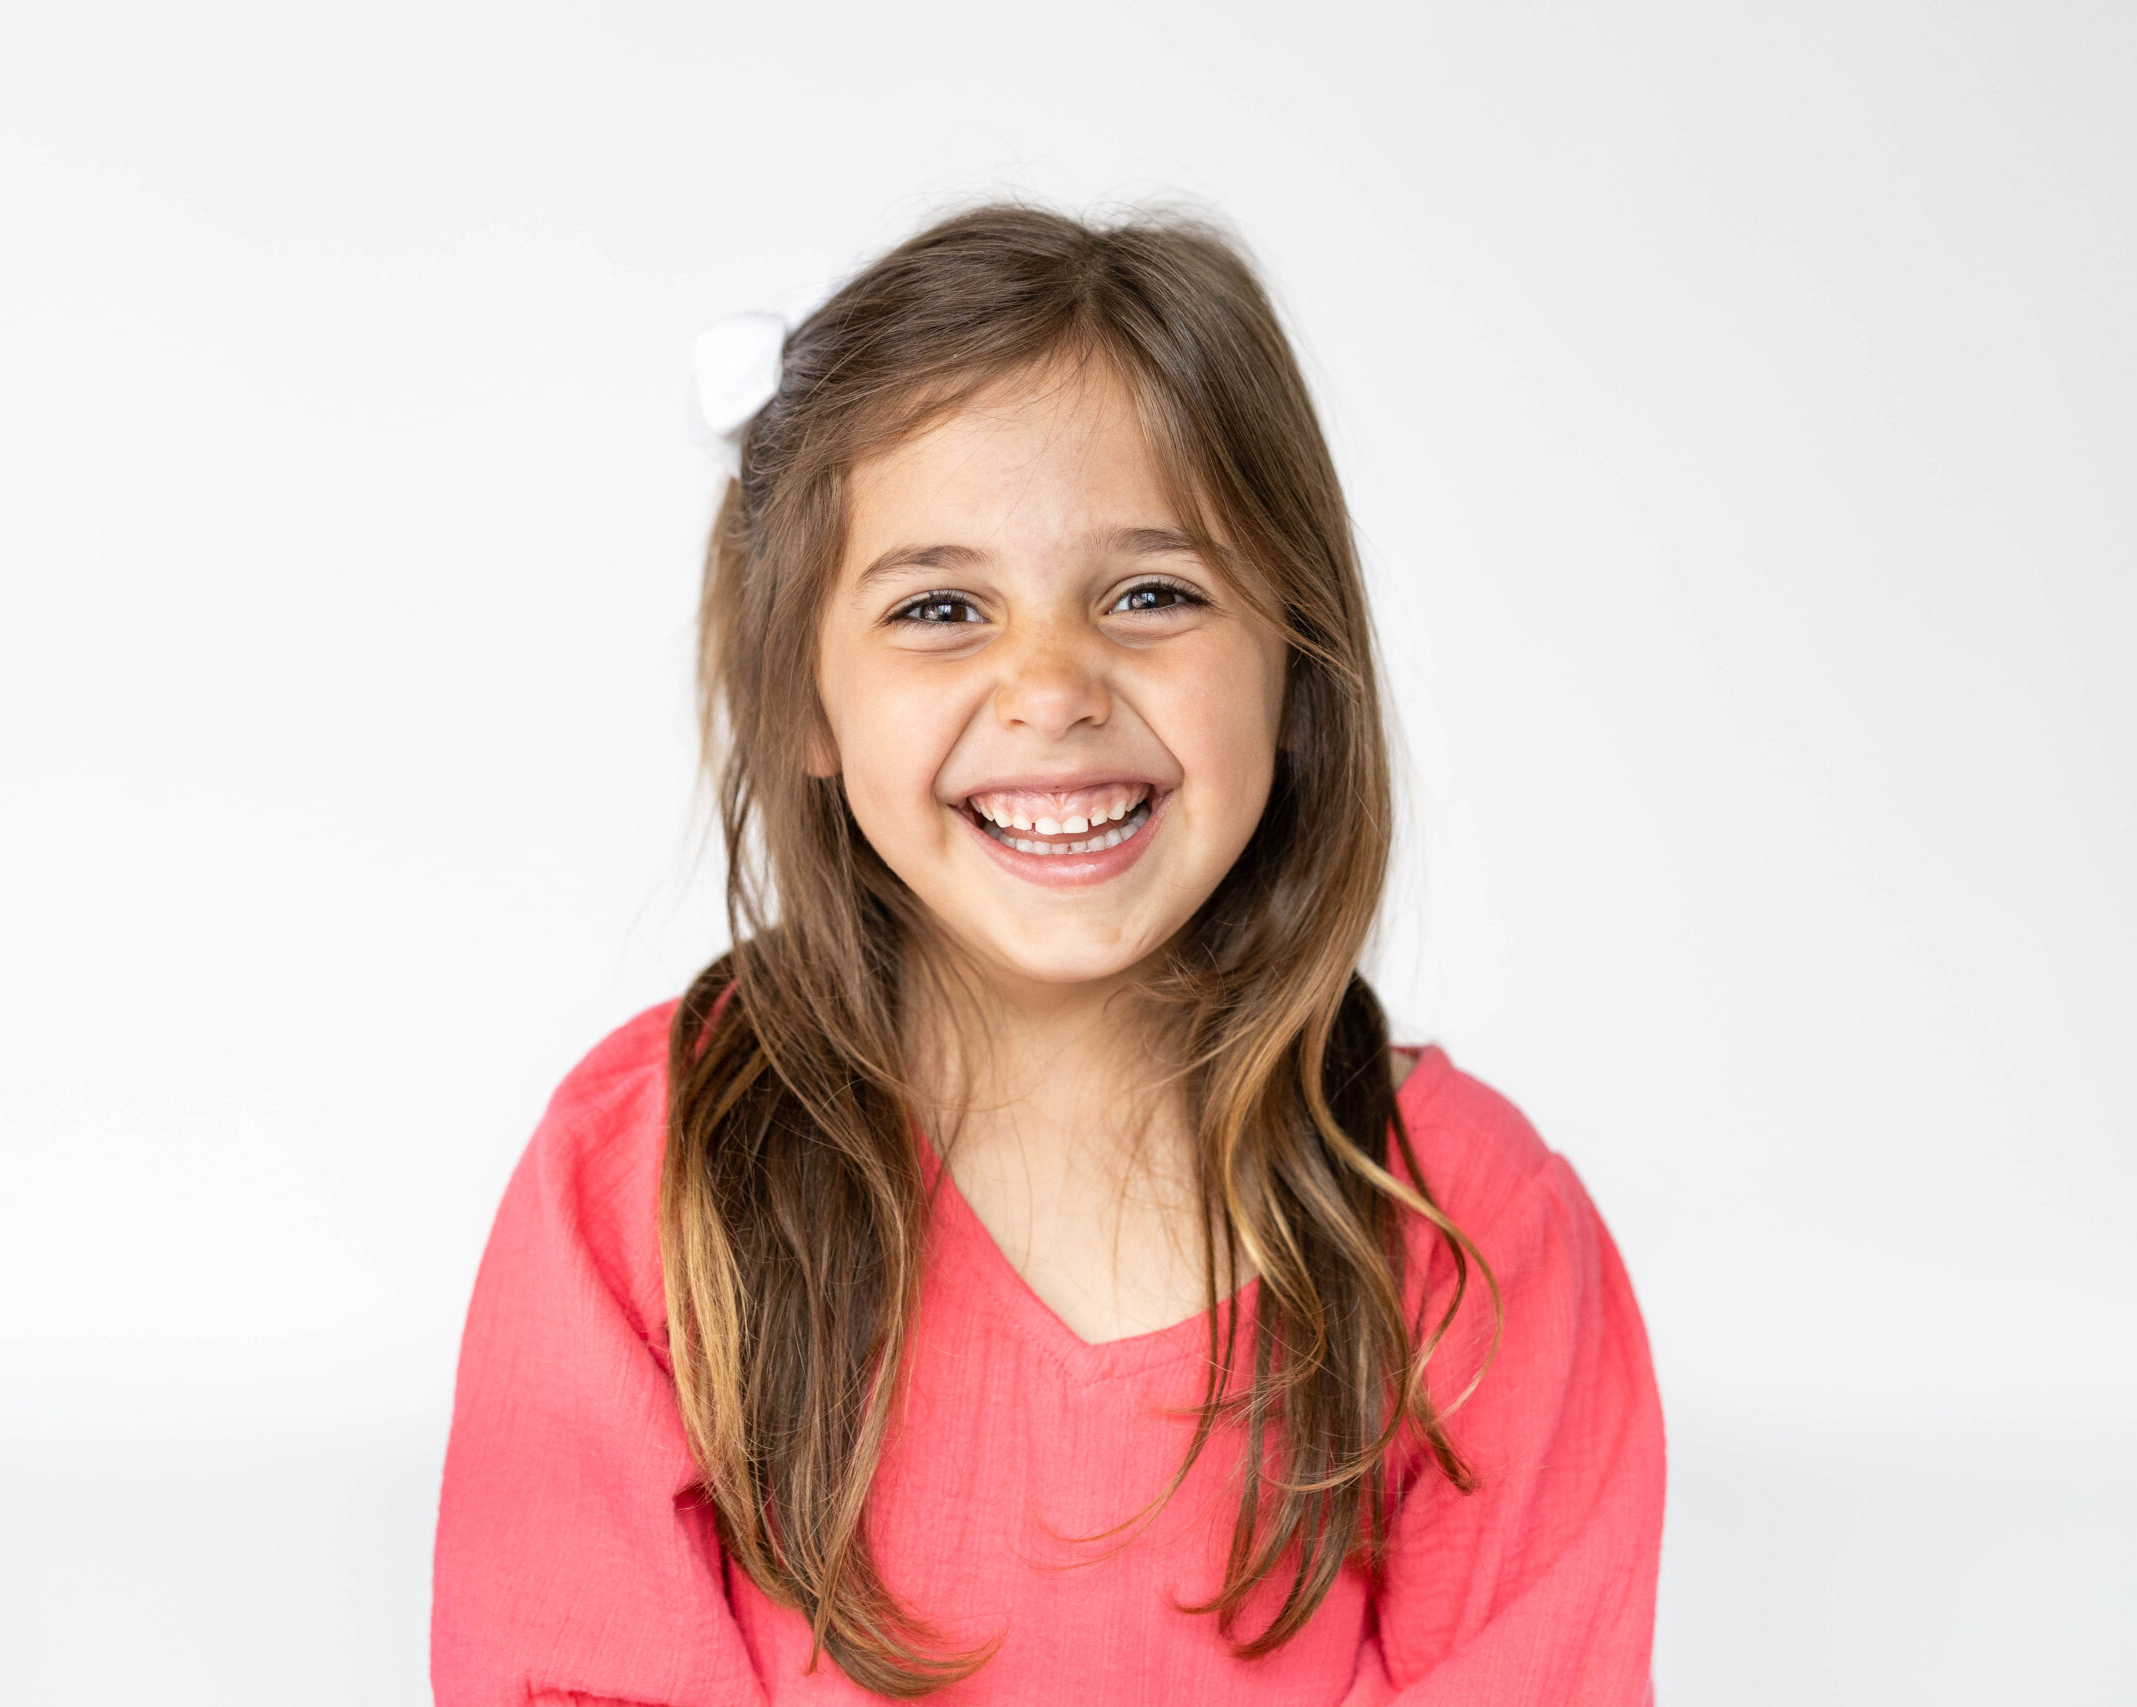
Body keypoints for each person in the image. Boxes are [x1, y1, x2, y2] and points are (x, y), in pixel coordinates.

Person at [431, 204, 1663, 1705]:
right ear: (807, 701)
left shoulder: (1474, 1232)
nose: (1051, 686)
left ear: (1297, 665)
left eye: (1153, 594)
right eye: (940, 610)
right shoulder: (637, 1183)